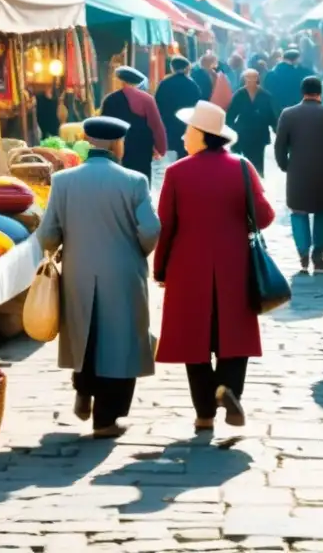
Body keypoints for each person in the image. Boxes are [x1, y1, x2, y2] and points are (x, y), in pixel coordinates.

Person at [36, 116, 160, 438]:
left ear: (88, 141)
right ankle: (106, 419)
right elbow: (151, 229)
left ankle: (83, 389)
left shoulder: (63, 181)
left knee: (85, 334)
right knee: (120, 344)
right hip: (123, 274)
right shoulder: (134, 181)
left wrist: (63, 247)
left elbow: (47, 234)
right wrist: (136, 252)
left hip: (78, 273)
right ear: (118, 144)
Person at [154, 101, 275, 430]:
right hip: (235, 265)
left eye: (187, 131)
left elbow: (165, 227)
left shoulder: (177, 173)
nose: (182, 137)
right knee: (233, 336)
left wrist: (161, 269)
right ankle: (227, 390)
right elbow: (265, 216)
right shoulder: (242, 167)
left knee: (194, 341)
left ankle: (204, 413)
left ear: (202, 135)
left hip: (187, 268)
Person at [274, 76, 323, 274]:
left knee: (298, 212)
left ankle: (303, 253)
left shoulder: (288, 114)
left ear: (302, 92)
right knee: (322, 212)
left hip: (297, 172)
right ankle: (319, 255)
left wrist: (284, 165)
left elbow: (280, 145)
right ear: (320, 92)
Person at [99, 66, 167, 185]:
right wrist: (160, 148)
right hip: (142, 149)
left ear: (120, 81)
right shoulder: (147, 99)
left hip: (116, 149)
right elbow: (156, 126)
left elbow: (102, 127)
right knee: (141, 180)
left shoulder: (109, 99)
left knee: (118, 182)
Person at [226, 68, 278, 176]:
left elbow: (271, 115)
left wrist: (277, 129)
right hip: (243, 133)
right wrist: (229, 130)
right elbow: (231, 114)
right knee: (242, 163)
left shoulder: (265, 95)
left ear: (257, 79)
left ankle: (258, 184)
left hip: (260, 134)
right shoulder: (239, 94)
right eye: (248, 78)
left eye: (253, 77)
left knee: (258, 163)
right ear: (244, 79)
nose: (250, 80)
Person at [154, 55, 201, 159]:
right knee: (184, 151)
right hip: (186, 122)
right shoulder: (192, 84)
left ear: (172, 68)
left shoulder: (164, 83)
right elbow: (197, 104)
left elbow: (157, 104)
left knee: (171, 152)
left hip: (168, 122)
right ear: (186, 68)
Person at [265, 48, 307, 115]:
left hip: (276, 111)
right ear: (295, 60)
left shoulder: (271, 73)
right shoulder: (297, 74)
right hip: (294, 110)